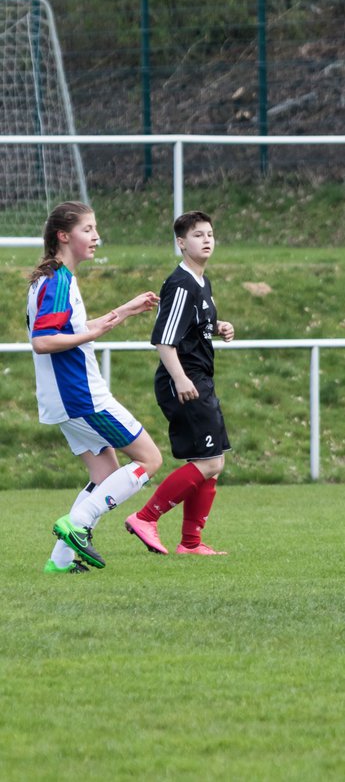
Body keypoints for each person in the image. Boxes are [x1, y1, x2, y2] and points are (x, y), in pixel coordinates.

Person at [27, 201, 163, 573]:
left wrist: (125, 311)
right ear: (63, 235)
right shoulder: (56, 281)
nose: (96, 237)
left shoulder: (56, 278)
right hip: (81, 395)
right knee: (150, 459)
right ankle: (77, 524)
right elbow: (43, 340)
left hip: (65, 397)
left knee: (104, 476)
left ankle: (61, 560)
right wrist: (97, 330)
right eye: (88, 229)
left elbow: (72, 331)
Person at [124, 211, 234, 556]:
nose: (206, 239)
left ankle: (191, 543)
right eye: (198, 235)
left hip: (199, 378)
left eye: (210, 234)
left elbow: (195, 323)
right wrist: (181, 377)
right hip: (184, 379)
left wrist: (219, 327)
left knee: (213, 461)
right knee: (210, 462)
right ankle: (145, 517)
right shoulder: (181, 283)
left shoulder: (202, 282)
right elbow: (163, 340)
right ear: (181, 243)